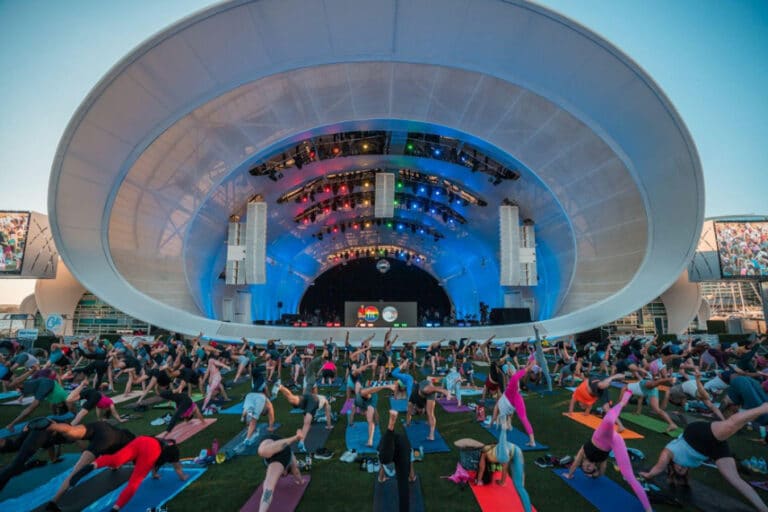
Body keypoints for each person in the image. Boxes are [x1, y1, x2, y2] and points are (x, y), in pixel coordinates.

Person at [640, 403, 768, 512]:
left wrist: (649, 475)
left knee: (730, 425)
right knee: (734, 479)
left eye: (677, 469)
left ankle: (763, 408)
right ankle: (764, 509)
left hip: (696, 435)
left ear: (672, 467)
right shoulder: (690, 465)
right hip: (711, 449)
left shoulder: (669, 453)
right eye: (682, 471)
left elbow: (659, 467)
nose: (680, 467)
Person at [564, 391, 652, 512]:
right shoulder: (601, 461)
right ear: (595, 466)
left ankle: (622, 402)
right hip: (615, 441)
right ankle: (649, 509)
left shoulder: (584, 452)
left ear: (582, 464)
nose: (588, 467)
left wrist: (569, 475)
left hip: (601, 435)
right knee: (629, 476)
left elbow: (574, 464)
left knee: (609, 421)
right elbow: (601, 473)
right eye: (590, 469)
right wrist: (596, 474)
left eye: (585, 468)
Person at [66, 436, 187, 512]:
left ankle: (93, 465)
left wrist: (154, 475)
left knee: (116, 459)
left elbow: (154, 463)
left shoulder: (161, 441)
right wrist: (183, 477)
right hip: (151, 451)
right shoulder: (174, 451)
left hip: (142, 440)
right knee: (135, 482)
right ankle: (116, 508)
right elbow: (177, 468)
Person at [45, 421, 136, 511]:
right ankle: (53, 502)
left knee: (72, 429)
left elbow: (114, 464)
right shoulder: (131, 448)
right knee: (76, 472)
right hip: (106, 439)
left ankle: (50, 425)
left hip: (101, 426)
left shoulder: (126, 437)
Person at [473, 424, 532, 512]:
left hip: (510, 452)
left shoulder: (486, 451)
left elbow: (482, 467)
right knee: (520, 486)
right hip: (516, 450)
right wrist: (502, 482)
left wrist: (479, 480)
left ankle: (504, 429)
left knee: (519, 484)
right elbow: (505, 466)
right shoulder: (493, 451)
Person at [256, 429, 306, 512]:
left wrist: (300, 481)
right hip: (276, 445)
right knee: (263, 451)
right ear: (286, 471)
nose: (281, 474)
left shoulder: (281, 463)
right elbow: (296, 472)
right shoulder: (287, 461)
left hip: (271, 440)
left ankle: (295, 438)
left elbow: (268, 488)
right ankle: (295, 438)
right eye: (283, 474)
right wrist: (301, 481)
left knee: (263, 452)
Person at [377, 410, 417, 512]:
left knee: (385, 458)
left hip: (394, 444)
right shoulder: (387, 456)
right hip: (399, 443)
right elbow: (410, 471)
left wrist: (381, 478)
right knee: (403, 485)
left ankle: (391, 426)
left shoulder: (384, 459)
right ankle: (391, 426)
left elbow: (382, 463)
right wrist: (412, 477)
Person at [492, 358, 537, 446]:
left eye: (511, 370)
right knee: (522, 418)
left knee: (522, 418)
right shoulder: (514, 378)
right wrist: (532, 363)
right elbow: (526, 369)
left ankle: (532, 441)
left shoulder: (514, 378)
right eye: (509, 370)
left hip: (514, 400)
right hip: (514, 399)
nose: (511, 370)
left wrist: (531, 364)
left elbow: (526, 370)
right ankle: (532, 441)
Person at [406, 378, 451, 442]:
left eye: (419, 411)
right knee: (430, 413)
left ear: (415, 407)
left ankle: (443, 391)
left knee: (423, 391)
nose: (420, 412)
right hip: (430, 392)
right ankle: (431, 436)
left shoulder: (412, 398)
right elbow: (426, 412)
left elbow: (408, 412)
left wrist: (408, 423)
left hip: (424, 384)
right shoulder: (424, 406)